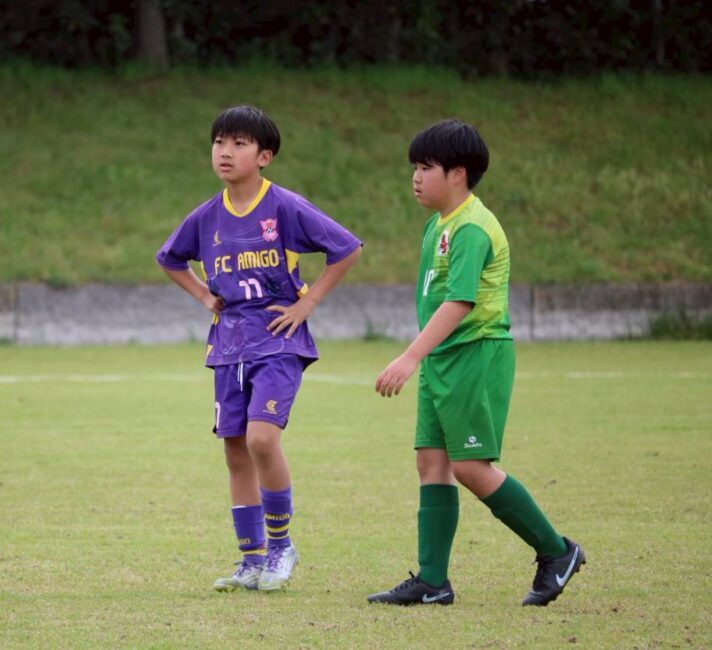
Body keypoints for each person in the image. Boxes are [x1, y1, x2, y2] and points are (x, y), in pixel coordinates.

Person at [368, 119, 585, 607]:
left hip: (475, 352)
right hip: (443, 356)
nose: (415, 177)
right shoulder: (438, 225)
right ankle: (433, 581)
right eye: (414, 167)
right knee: (431, 462)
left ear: (458, 173)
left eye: (426, 167)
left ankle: (557, 550)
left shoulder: (471, 227)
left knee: (470, 466)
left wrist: (409, 356)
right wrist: (424, 354)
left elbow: (460, 302)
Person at [156, 105, 362, 592]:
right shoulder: (206, 217)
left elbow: (347, 247)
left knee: (262, 441)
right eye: (219, 142)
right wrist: (204, 295)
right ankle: (250, 559)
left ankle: (281, 547)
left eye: (239, 143)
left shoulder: (284, 207)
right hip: (228, 345)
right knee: (235, 450)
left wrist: (307, 303)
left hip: (277, 340)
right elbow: (169, 258)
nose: (225, 152)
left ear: (264, 156)